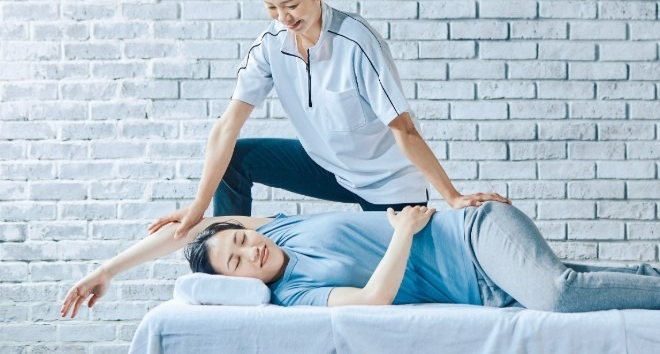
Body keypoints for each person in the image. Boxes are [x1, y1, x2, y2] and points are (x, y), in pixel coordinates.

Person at [148, 0, 510, 241]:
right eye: (271, 8)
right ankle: (228, 253)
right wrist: (199, 207)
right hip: (327, 166)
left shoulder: (356, 43)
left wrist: (453, 196)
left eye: (291, 6)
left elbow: (404, 129)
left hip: (387, 182)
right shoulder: (271, 45)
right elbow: (227, 126)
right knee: (236, 158)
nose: (283, 18)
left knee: (400, 278)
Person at [61, 202, 660, 318]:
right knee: (570, 281)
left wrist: (105, 270)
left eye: (239, 240)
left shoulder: (279, 227)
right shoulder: (295, 296)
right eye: (238, 262)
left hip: (476, 231)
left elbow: (185, 231)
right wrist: (402, 232)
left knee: (557, 294)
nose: (249, 250)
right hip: (487, 287)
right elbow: (373, 299)